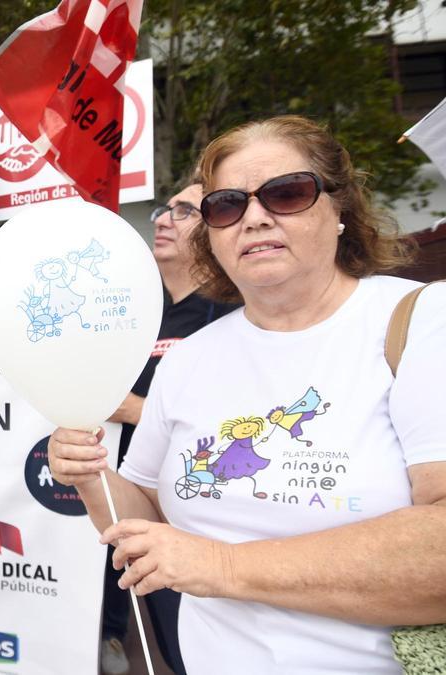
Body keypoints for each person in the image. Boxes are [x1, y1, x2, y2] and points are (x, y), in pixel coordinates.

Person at [47, 115, 446, 675]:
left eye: (287, 194)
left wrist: (222, 566)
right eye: (228, 205)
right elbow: (148, 513)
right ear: (211, 232)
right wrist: (91, 476)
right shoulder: (188, 358)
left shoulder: (424, 320)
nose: (255, 217)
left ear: (339, 211)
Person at [98, 183, 238, 675]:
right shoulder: (142, 315)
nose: (161, 220)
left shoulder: (232, 311)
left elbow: (238, 421)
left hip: (205, 523)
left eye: (183, 211)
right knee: (176, 650)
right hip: (143, 502)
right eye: (163, 209)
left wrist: (137, 411)